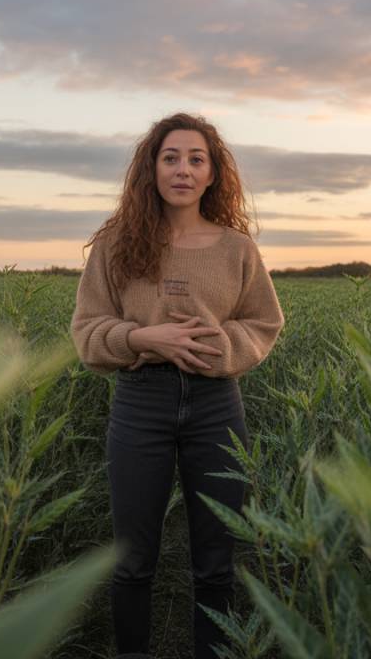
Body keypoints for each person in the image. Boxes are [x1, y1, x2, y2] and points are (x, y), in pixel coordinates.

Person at [70, 112, 285, 658]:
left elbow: (263, 323)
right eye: (170, 158)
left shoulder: (237, 249)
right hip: (140, 402)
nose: (182, 170)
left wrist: (212, 349)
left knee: (216, 561)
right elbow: (87, 332)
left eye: (195, 159)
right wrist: (144, 338)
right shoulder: (117, 245)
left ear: (213, 174)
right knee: (131, 559)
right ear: (152, 168)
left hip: (216, 404)